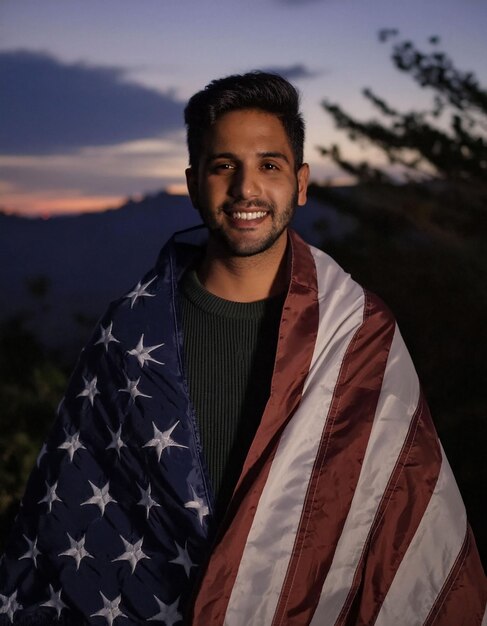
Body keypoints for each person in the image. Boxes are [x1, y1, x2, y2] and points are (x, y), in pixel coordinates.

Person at [0, 72, 485, 626]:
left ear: (301, 183)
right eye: (223, 165)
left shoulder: (358, 334)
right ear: (192, 182)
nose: (246, 189)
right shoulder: (129, 331)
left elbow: (406, 522)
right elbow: (66, 525)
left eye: (269, 166)